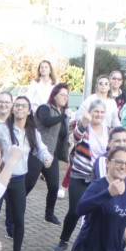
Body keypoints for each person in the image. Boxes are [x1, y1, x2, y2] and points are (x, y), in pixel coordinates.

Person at [43, 127, 126, 251]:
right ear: (110, 144)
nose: (121, 145)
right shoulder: (103, 162)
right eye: (117, 141)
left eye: (125, 141)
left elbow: (125, 196)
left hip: (115, 225)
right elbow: (103, 188)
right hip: (95, 223)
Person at [0, 95, 52, 251]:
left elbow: (40, 149)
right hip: (1, 179)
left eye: (23, 106)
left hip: (18, 180)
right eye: (17, 106)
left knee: (19, 219)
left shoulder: (31, 132)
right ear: (12, 109)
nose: (20, 109)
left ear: (29, 110)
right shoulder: (2, 129)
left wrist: (47, 158)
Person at [54, 98, 113, 251]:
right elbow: (74, 138)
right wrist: (83, 123)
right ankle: (64, 240)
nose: (99, 115)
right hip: (80, 175)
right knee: (75, 210)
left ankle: (93, 242)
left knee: (100, 211)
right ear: (90, 112)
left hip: (100, 177)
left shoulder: (108, 130)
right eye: (96, 112)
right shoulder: (84, 126)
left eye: (101, 112)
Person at [34, 84, 71, 227]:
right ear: (54, 95)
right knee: (28, 185)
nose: (65, 97)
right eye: (62, 94)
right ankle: (12, 216)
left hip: (52, 155)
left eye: (67, 95)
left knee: (54, 186)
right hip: (37, 152)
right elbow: (46, 122)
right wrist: (63, 116)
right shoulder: (45, 108)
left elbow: (62, 134)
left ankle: (49, 214)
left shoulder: (64, 113)